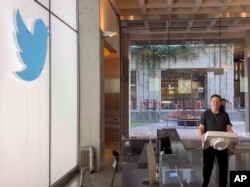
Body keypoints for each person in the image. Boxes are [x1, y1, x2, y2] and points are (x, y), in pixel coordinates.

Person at [198, 94, 234, 187]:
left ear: (220, 103)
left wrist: (234, 137)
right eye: (213, 101)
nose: (215, 103)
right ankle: (205, 184)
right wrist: (201, 137)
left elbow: (229, 128)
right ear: (211, 103)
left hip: (222, 145)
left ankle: (223, 185)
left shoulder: (225, 115)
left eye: (217, 101)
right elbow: (201, 128)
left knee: (223, 168)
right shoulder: (205, 114)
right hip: (209, 145)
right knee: (207, 167)